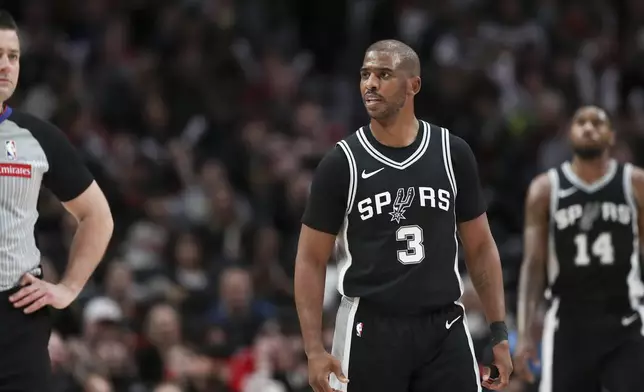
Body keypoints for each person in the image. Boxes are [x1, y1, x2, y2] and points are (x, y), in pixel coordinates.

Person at [294, 39, 512, 392]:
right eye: (365, 75)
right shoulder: (341, 163)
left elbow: (481, 248)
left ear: (414, 84)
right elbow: (309, 258)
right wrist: (312, 349)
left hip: (442, 325)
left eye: (384, 75)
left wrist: (499, 332)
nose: (371, 84)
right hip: (371, 327)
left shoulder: (452, 153)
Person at [0, 10, 113, 391]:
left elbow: (97, 216)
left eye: (13, 56)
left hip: (15, 315)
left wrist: (67, 288)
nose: (5, 65)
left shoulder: (36, 136)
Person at [514, 105, 644, 392]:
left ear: (611, 136)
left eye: (597, 123)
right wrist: (524, 334)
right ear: (569, 135)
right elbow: (533, 265)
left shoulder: (635, 183)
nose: (588, 128)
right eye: (581, 122)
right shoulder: (545, 189)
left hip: (624, 320)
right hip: (569, 324)